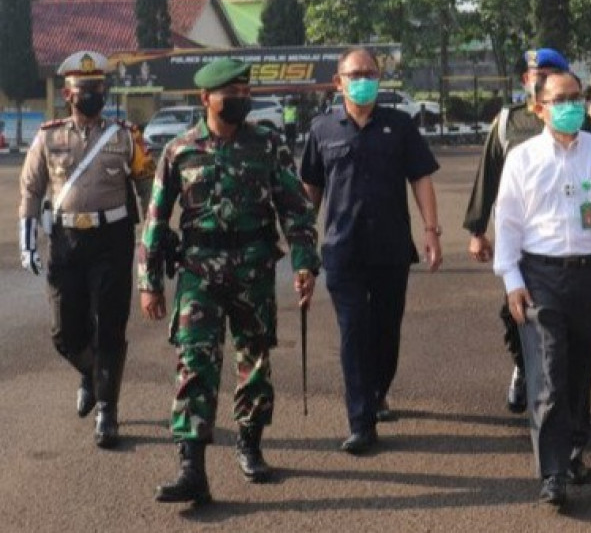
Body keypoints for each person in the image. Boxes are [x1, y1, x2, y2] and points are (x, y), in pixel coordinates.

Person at [139, 57, 319, 504]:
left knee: (254, 361)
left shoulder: (268, 144)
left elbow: (295, 208)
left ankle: (250, 444)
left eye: (244, 93)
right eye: (230, 94)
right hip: (198, 273)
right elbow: (156, 218)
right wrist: (149, 281)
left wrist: (304, 262)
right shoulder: (179, 150)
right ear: (205, 99)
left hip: (254, 268)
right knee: (194, 364)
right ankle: (191, 466)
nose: (240, 100)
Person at [493, 69, 591, 508]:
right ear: (540, 107)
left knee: (579, 369)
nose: (571, 106)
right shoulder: (522, 158)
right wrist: (512, 281)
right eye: (561, 99)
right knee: (548, 372)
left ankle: (575, 448)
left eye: (577, 97)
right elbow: (507, 224)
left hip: (589, 276)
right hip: (540, 276)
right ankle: (553, 471)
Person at [301, 47, 443, 454]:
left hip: (391, 248)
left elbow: (421, 179)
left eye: (371, 73)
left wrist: (431, 231)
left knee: (385, 331)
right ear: (338, 81)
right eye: (355, 73)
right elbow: (311, 188)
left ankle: (378, 390)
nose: (364, 79)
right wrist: (302, 245)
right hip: (342, 251)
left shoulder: (399, 125)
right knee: (353, 332)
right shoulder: (322, 129)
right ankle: (360, 421)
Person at [18, 50, 155, 449]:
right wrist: (27, 242)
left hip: (112, 241)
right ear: (68, 93)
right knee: (65, 332)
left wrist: (152, 234)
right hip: (66, 243)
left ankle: (107, 412)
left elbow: (148, 187)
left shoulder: (126, 136)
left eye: (98, 88)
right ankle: (91, 374)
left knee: (110, 326)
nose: (92, 94)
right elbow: (30, 189)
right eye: (84, 89)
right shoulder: (48, 136)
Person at [464, 49, 576, 415]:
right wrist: (478, 230)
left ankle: (559, 389)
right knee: (516, 310)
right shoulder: (507, 122)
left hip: (566, 235)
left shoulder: (577, 119)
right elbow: (488, 174)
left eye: (546, 72)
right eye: (532, 73)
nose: (537, 78)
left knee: (563, 318)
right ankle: (524, 368)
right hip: (519, 235)